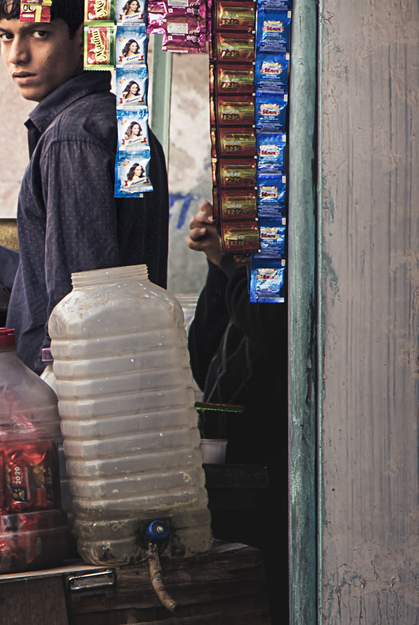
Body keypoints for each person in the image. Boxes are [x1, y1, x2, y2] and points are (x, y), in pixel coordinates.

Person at [0, 0, 169, 371]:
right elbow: (52, 276)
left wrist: (57, 398)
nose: (16, 55)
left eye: (39, 34)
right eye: (5, 36)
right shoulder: (116, 122)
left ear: (81, 35)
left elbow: (82, 300)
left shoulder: (73, 138)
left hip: (78, 395)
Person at [185, 201, 289, 624]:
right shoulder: (241, 275)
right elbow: (202, 357)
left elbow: (270, 328)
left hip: (272, 465)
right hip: (236, 467)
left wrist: (230, 261)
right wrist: (218, 265)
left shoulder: (277, 274)